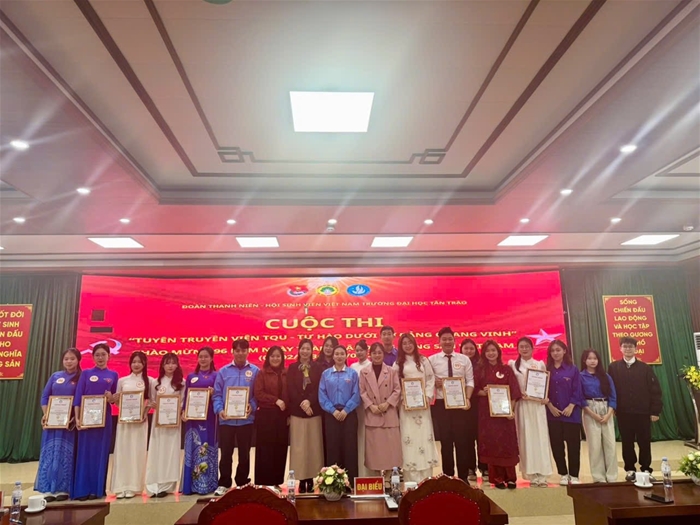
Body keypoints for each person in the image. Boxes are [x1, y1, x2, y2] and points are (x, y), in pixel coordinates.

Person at [608, 337, 662, 482]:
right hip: (623, 413)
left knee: (644, 442)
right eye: (625, 346)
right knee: (627, 442)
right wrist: (612, 408)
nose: (628, 349)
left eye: (630, 346)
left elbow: (655, 390)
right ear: (620, 349)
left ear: (636, 349)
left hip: (643, 413)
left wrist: (655, 411)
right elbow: (610, 390)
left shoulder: (645, 368)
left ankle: (646, 469)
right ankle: (630, 469)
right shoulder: (613, 368)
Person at [72, 343, 118, 500]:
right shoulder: (86, 373)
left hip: (104, 420)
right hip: (86, 420)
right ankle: (82, 490)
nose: (100, 358)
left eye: (103, 354)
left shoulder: (113, 375)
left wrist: (111, 398)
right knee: (85, 453)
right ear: (92, 357)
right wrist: (78, 418)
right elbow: (78, 397)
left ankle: (96, 490)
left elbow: (114, 400)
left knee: (101, 453)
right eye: (97, 355)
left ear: (109, 356)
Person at [213, 339, 260, 496]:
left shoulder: (255, 371)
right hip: (226, 420)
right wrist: (219, 410)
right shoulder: (223, 372)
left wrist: (252, 405)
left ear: (248, 351)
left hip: (246, 420)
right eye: (237, 350)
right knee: (226, 453)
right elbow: (217, 394)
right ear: (232, 352)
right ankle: (224, 482)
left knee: (244, 454)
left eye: (243, 350)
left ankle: (242, 482)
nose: (240, 353)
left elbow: (257, 394)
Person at [35, 348, 82, 502]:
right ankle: (48, 488)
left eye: (72, 359)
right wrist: (47, 415)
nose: (69, 361)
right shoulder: (55, 376)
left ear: (78, 360)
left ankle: (63, 488)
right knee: (50, 453)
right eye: (66, 359)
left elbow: (80, 400)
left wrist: (75, 417)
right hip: (53, 423)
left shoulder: (81, 377)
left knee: (66, 455)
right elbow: (45, 397)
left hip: (69, 424)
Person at [428, 327, 474, 482]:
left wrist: (467, 398)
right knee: (446, 443)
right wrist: (434, 382)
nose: (447, 342)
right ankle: (448, 477)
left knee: (462, 442)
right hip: (441, 405)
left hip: (460, 405)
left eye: (450, 339)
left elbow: (470, 381)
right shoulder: (432, 360)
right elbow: (427, 381)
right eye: (444, 339)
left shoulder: (464, 359)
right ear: (439, 341)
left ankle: (463, 479)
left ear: (454, 341)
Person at [475, 340, 522, 489]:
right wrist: (484, 392)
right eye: (488, 351)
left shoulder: (506, 369)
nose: (491, 353)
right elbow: (474, 390)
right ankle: (497, 478)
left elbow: (514, 392)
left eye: (493, 350)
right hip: (487, 414)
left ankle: (511, 478)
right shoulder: (480, 370)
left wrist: (510, 411)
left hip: (505, 414)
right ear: (484, 353)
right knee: (492, 443)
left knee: (507, 443)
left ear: (498, 352)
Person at [394, 333, 439, 482]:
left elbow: (430, 378)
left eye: (410, 342)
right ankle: (411, 480)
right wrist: (403, 398)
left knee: (424, 437)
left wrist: (427, 396)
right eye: (404, 343)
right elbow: (395, 383)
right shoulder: (398, 363)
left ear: (414, 344)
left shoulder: (423, 360)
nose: (408, 345)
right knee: (409, 439)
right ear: (401, 346)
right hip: (406, 408)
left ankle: (427, 478)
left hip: (422, 406)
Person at [508, 337, 553, 488]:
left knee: (540, 438)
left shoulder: (539, 364)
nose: (524, 349)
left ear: (532, 348)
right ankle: (532, 475)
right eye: (521, 346)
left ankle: (543, 474)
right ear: (517, 349)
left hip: (537, 406)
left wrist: (544, 397)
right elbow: (510, 385)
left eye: (527, 346)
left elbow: (545, 385)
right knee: (526, 438)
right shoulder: (513, 365)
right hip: (522, 406)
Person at [111, 351, 155, 498]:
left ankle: (134, 487)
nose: (136, 364)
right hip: (124, 422)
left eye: (139, 362)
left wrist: (145, 412)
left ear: (144, 364)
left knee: (137, 452)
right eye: (134, 362)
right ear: (130, 364)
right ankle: (121, 486)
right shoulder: (122, 381)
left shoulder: (150, 381)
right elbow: (117, 402)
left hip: (140, 422)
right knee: (123, 451)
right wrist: (114, 400)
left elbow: (152, 402)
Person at [319, 345, 361, 481]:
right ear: (333, 356)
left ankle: (350, 483)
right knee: (332, 448)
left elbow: (356, 394)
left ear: (346, 356)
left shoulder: (352, 374)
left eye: (342, 353)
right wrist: (333, 410)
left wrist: (346, 410)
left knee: (350, 448)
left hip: (348, 415)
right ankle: (333, 483)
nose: (339, 356)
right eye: (336, 354)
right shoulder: (326, 374)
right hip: (331, 415)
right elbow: (322, 395)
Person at [287, 338, 324, 493]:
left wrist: (309, 401)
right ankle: (302, 480)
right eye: (303, 348)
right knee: (299, 448)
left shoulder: (318, 368)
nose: (305, 351)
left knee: (313, 447)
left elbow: (319, 387)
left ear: (311, 351)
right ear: (298, 350)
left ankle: (311, 478)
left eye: (308, 349)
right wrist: (302, 404)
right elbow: (291, 389)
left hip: (314, 412)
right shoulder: (292, 368)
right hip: (297, 412)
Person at [145, 353, 185, 497]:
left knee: (171, 450)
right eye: (167, 363)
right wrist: (154, 405)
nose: (170, 366)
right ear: (162, 365)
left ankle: (167, 485)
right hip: (158, 422)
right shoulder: (155, 382)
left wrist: (177, 409)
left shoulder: (182, 383)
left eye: (173, 363)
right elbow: (151, 400)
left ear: (177, 365)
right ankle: (154, 485)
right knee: (157, 450)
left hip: (173, 422)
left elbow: (183, 402)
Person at [359, 342, 403, 473]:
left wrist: (387, 403)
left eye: (379, 353)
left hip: (388, 414)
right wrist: (370, 406)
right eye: (374, 353)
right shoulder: (364, 372)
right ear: (370, 355)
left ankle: (390, 477)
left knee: (391, 450)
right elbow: (362, 391)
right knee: (375, 452)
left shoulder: (391, 371)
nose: (377, 355)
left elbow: (397, 390)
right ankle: (376, 478)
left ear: (383, 354)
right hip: (373, 415)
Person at [546, 339, 585, 485]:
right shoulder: (546, 370)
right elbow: (543, 391)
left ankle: (574, 475)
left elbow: (578, 389)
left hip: (571, 414)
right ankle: (563, 473)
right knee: (556, 445)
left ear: (564, 351)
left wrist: (571, 405)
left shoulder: (572, 369)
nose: (555, 353)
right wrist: (550, 406)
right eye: (553, 350)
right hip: (553, 414)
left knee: (574, 445)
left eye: (558, 350)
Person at [181, 347, 219, 495]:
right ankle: (191, 485)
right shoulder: (191, 376)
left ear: (211, 358)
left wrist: (214, 393)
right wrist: (184, 411)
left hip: (209, 419)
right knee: (193, 448)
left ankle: (207, 484)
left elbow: (220, 395)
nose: (203, 359)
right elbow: (186, 396)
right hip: (193, 419)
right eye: (200, 357)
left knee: (207, 447)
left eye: (206, 357)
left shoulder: (216, 375)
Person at [580, 349, 618, 483]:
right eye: (589, 358)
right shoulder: (580, 377)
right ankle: (598, 477)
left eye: (595, 358)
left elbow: (613, 396)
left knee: (610, 444)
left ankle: (612, 476)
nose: (592, 361)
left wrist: (609, 414)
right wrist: (592, 414)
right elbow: (580, 398)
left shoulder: (605, 376)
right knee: (594, 445)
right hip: (590, 409)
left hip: (606, 408)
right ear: (584, 360)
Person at [254, 346, 289, 486]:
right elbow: (258, 393)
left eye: (278, 356)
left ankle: (277, 482)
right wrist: (275, 400)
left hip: (282, 416)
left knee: (280, 448)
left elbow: (290, 394)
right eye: (273, 356)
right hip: (266, 416)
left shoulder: (286, 373)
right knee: (265, 449)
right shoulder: (262, 373)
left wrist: (289, 413)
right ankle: (264, 483)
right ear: (268, 358)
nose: (275, 358)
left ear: (282, 358)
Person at [460, 338, 488, 482]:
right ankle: (470, 467)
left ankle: (484, 467)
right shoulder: (458, 363)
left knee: (482, 437)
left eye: (471, 348)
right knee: (467, 438)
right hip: (464, 406)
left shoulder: (481, 365)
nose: (469, 351)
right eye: (466, 348)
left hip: (480, 405)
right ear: (461, 350)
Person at [350, 339, 372, 477]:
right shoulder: (352, 367)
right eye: (357, 350)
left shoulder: (371, 365)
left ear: (367, 351)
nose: (359, 353)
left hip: (369, 407)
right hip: (355, 407)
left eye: (361, 350)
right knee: (358, 436)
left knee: (368, 437)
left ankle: (370, 472)